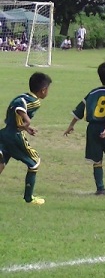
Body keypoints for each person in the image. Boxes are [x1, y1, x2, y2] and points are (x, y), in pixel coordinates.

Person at [63, 58, 105, 196]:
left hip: (92, 129)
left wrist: (71, 126)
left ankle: (100, 189)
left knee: (96, 160)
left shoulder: (92, 93)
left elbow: (80, 110)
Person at [0, 72, 52, 205]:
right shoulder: (34, 101)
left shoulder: (23, 95)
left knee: (2, 162)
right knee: (34, 162)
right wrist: (27, 121)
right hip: (14, 136)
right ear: (43, 90)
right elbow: (19, 107)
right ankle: (29, 198)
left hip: (4, 133)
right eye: (48, 89)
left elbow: (15, 115)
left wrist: (26, 127)